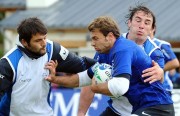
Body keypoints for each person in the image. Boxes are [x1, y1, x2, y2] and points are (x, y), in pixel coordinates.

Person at [45, 16, 174, 115]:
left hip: (157, 107)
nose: (92, 43)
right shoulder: (103, 53)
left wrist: (95, 88)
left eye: (96, 38)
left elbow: (120, 87)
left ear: (110, 36)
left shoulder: (122, 48)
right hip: (132, 107)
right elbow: (82, 79)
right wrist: (54, 79)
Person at [78, 5, 165, 116]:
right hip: (117, 110)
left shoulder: (155, 53)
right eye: (138, 21)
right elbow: (91, 79)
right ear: (129, 23)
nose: (141, 26)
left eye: (147, 23)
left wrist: (161, 75)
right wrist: (81, 113)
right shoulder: (109, 44)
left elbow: (156, 85)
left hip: (142, 110)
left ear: (152, 29)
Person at [0, 17, 97, 116]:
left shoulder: (53, 50)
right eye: (38, 41)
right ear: (24, 42)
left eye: (45, 38)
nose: (44, 43)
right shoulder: (8, 63)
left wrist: (102, 66)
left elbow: (81, 64)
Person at [150, 25, 180, 93]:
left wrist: (157, 70)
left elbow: (175, 62)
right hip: (149, 88)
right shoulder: (140, 44)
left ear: (153, 28)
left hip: (163, 88)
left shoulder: (160, 44)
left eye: (147, 24)